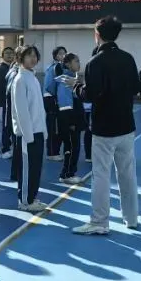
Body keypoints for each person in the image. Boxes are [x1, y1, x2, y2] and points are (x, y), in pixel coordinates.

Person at [79, 16, 140, 235]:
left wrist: (76, 88)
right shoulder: (128, 59)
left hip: (104, 128)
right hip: (126, 125)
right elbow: (135, 88)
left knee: (101, 175)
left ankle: (99, 221)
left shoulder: (95, 62)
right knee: (127, 174)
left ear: (97, 35)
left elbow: (89, 95)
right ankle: (131, 218)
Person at [11, 45, 47, 213]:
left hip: (37, 131)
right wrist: (28, 135)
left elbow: (39, 108)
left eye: (35, 55)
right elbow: (21, 111)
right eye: (29, 55)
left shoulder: (33, 78)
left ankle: (32, 197)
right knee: (27, 170)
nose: (33, 59)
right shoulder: (20, 80)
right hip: (27, 135)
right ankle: (25, 201)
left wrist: (43, 130)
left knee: (35, 168)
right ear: (20, 58)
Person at [55, 53, 82, 184]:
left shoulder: (73, 78)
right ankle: (66, 174)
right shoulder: (65, 80)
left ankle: (70, 172)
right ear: (67, 64)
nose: (79, 63)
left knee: (74, 147)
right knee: (71, 147)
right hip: (69, 120)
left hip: (74, 119)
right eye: (76, 61)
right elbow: (65, 104)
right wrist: (71, 122)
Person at [42, 46, 65, 160]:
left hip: (54, 98)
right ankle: (51, 152)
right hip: (51, 99)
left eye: (64, 53)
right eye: (60, 53)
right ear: (55, 56)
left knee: (57, 125)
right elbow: (50, 86)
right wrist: (56, 95)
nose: (63, 55)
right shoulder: (55, 67)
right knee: (53, 126)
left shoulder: (59, 67)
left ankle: (54, 150)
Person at [0, 47, 15, 158]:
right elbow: (1, 88)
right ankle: (2, 149)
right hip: (3, 103)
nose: (9, 55)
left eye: (11, 53)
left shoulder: (12, 69)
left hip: (10, 103)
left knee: (8, 126)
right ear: (2, 56)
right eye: (7, 53)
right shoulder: (1, 69)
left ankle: (7, 146)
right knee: (3, 126)